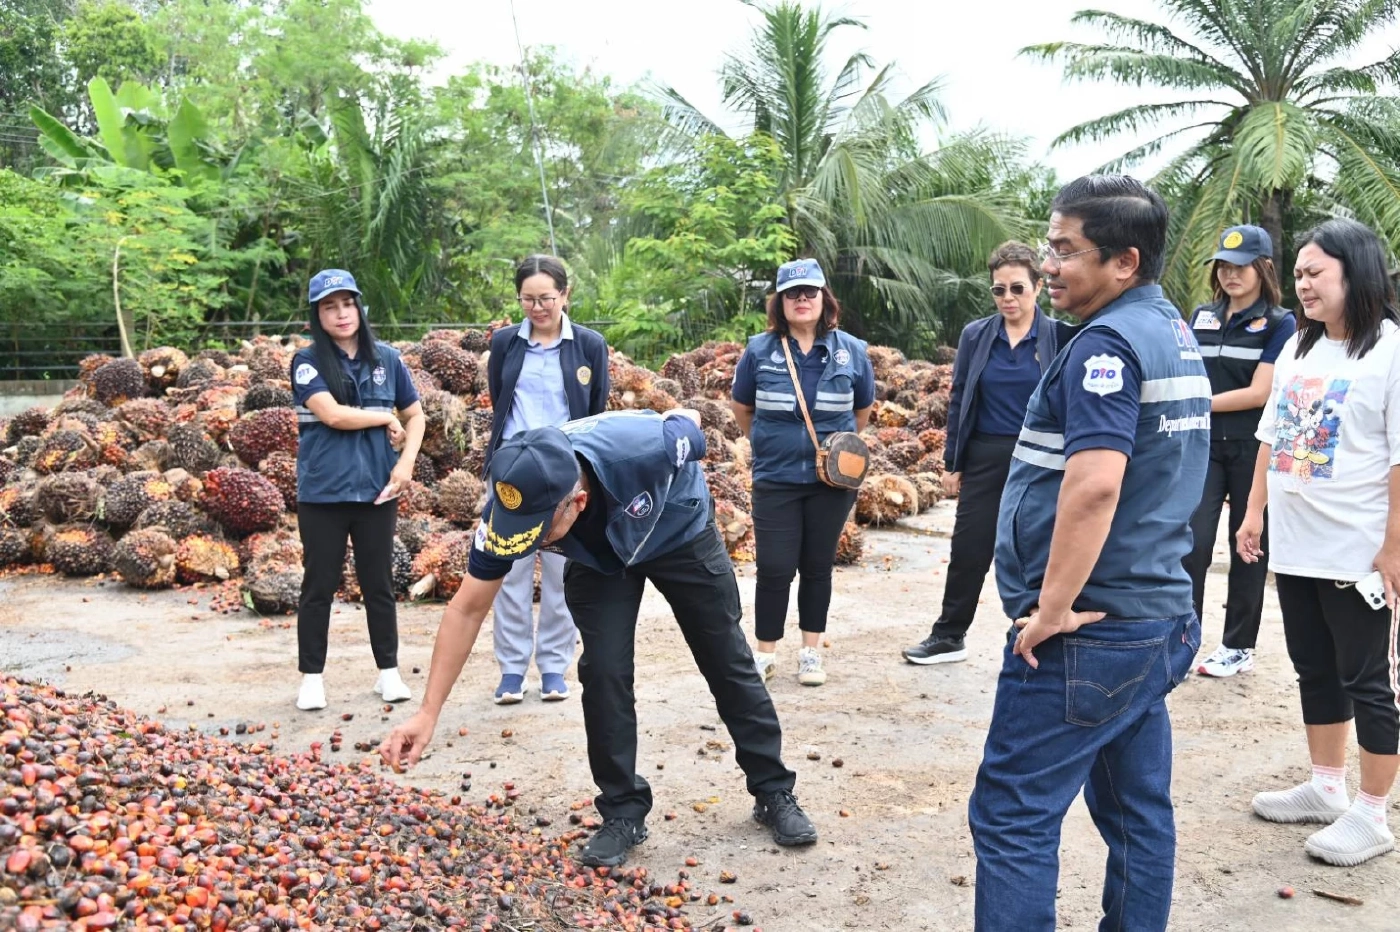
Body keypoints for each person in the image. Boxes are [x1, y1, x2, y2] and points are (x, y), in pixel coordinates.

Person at [379, 409, 818, 868]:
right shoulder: (507, 511)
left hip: (676, 529)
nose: (527, 548)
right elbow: (466, 609)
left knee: (725, 657)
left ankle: (773, 791)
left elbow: (687, 421)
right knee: (604, 670)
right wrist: (428, 714)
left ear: (577, 503)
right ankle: (622, 812)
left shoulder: (652, 447)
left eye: (537, 536)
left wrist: (676, 429)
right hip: (598, 560)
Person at [967, 175, 1209, 931]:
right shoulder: (1170, 330)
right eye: (1050, 246)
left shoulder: (1104, 346)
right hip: (1155, 616)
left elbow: (1096, 485)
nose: (1049, 265)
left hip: (1091, 633)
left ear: (1124, 262)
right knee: (1137, 812)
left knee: (1011, 814)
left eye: (1066, 250)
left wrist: (1052, 608)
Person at [1237, 218, 1400, 867]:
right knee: (1313, 668)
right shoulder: (1301, 348)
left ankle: (1372, 813)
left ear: (1353, 274)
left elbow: (1398, 460)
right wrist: (1254, 514)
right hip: (1298, 546)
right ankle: (1326, 787)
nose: (1301, 283)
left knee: (1369, 680)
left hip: (1356, 548)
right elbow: (1271, 439)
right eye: (1298, 273)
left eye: (1314, 273)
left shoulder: (1388, 351)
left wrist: (1392, 547)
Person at [902, 242, 1072, 665]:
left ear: (1037, 286)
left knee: (1036, 549)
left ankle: (1036, 632)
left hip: (1040, 459)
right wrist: (952, 463)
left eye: (1017, 288)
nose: (1008, 298)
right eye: (999, 290)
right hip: (984, 454)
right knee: (969, 548)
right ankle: (948, 635)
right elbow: (960, 398)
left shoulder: (1061, 337)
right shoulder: (977, 336)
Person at [730, 258, 874, 687]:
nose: (802, 300)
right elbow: (742, 408)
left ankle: (811, 652)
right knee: (774, 567)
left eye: (810, 292)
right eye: (792, 293)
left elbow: (861, 410)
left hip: (831, 483)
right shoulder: (759, 350)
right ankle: (765, 652)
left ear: (824, 297)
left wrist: (832, 451)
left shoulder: (852, 350)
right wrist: (769, 442)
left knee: (817, 566)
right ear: (780, 302)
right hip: (775, 478)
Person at [291, 269, 426, 711]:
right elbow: (331, 415)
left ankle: (388, 672)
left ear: (359, 307)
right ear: (318, 314)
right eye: (329, 306)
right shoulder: (307, 361)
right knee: (319, 585)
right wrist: (383, 418)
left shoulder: (388, 359)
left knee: (379, 584)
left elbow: (416, 415)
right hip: (323, 494)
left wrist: (405, 464)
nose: (341, 313)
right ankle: (312, 677)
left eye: (347, 303)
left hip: (377, 491)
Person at [483, 255, 610, 704]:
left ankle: (555, 667)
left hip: (566, 474)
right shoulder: (504, 344)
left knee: (561, 573)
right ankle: (512, 670)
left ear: (565, 295)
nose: (537, 308)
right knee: (510, 569)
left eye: (546, 298)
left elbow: (595, 409)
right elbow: (501, 401)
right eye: (528, 299)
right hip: (513, 474)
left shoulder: (590, 346)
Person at [1182, 225, 1297, 678]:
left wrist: (1197, 403)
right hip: (1204, 447)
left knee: (1248, 547)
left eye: (1241, 266)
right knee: (1191, 543)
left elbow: (1259, 392)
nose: (1230, 274)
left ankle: (1237, 646)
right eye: (1224, 266)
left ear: (1263, 268)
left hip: (1254, 447)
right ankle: (1183, 636)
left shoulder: (1280, 322)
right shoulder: (1201, 316)